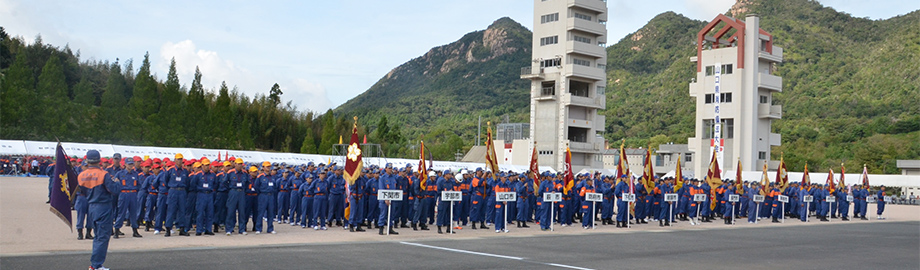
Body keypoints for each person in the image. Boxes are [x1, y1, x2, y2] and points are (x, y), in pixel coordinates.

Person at [78, 150, 118, 270]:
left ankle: (96, 263)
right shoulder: (103, 174)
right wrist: (117, 183)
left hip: (91, 206)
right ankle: (96, 265)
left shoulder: (81, 175)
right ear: (99, 160)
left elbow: (82, 192)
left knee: (97, 235)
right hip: (103, 206)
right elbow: (114, 190)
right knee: (102, 237)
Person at [114, 158, 143, 238]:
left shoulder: (135, 174)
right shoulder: (120, 173)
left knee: (134, 213)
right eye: (129, 164)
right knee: (121, 213)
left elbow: (139, 185)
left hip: (133, 194)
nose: (131, 166)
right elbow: (115, 183)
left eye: (132, 164)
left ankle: (135, 230)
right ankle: (116, 230)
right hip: (123, 194)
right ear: (125, 164)